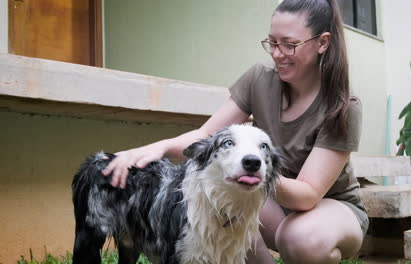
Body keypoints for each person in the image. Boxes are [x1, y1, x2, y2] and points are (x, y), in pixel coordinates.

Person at [102, 0, 368, 263]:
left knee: (299, 238)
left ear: (322, 42)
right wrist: (157, 147)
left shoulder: (342, 105)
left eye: (289, 44)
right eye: (272, 43)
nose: (277, 54)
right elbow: (206, 134)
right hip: (270, 198)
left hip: (328, 208)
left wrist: (250, 171)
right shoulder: (259, 78)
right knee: (223, 198)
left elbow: (308, 194)